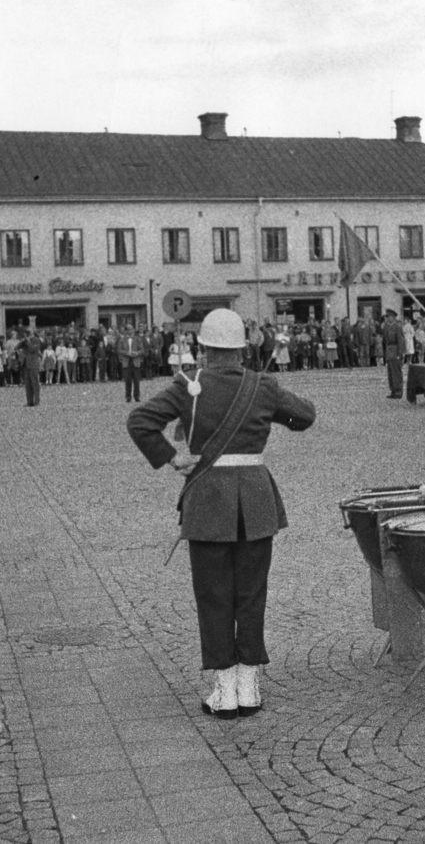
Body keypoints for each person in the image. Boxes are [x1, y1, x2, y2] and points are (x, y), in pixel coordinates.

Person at [126, 308, 316, 719]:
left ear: (204, 348)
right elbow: (305, 416)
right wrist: (270, 403)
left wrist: (172, 457)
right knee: (251, 593)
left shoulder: (188, 385)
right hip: (256, 501)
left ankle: (225, 690)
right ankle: (249, 687)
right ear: (243, 348)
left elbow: (140, 421)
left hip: (208, 500)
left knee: (213, 596)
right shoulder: (262, 385)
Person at [381, 309, 405, 398]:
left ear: (393, 317)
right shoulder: (387, 327)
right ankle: (393, 390)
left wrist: (400, 353)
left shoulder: (397, 327)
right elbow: (385, 339)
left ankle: (398, 391)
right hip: (389, 351)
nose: (386, 319)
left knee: (396, 372)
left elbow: (401, 341)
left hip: (395, 350)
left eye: (388, 317)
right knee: (390, 372)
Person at [119, 325, 145, 403]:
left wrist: (136, 353)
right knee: (127, 380)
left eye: (131, 329)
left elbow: (142, 350)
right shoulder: (122, 339)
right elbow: (119, 350)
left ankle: (137, 396)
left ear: (133, 330)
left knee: (136, 380)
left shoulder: (138, 339)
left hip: (135, 361)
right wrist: (127, 353)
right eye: (128, 329)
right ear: (126, 331)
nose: (129, 331)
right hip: (126, 361)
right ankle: (128, 397)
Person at [22, 329, 43, 406]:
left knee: (35, 383)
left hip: (33, 364)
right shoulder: (25, 341)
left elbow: (32, 349)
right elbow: (17, 347)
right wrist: (23, 341)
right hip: (26, 364)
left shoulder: (36, 340)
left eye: (27, 333)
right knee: (28, 384)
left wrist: (28, 341)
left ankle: (37, 401)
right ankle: (29, 401)